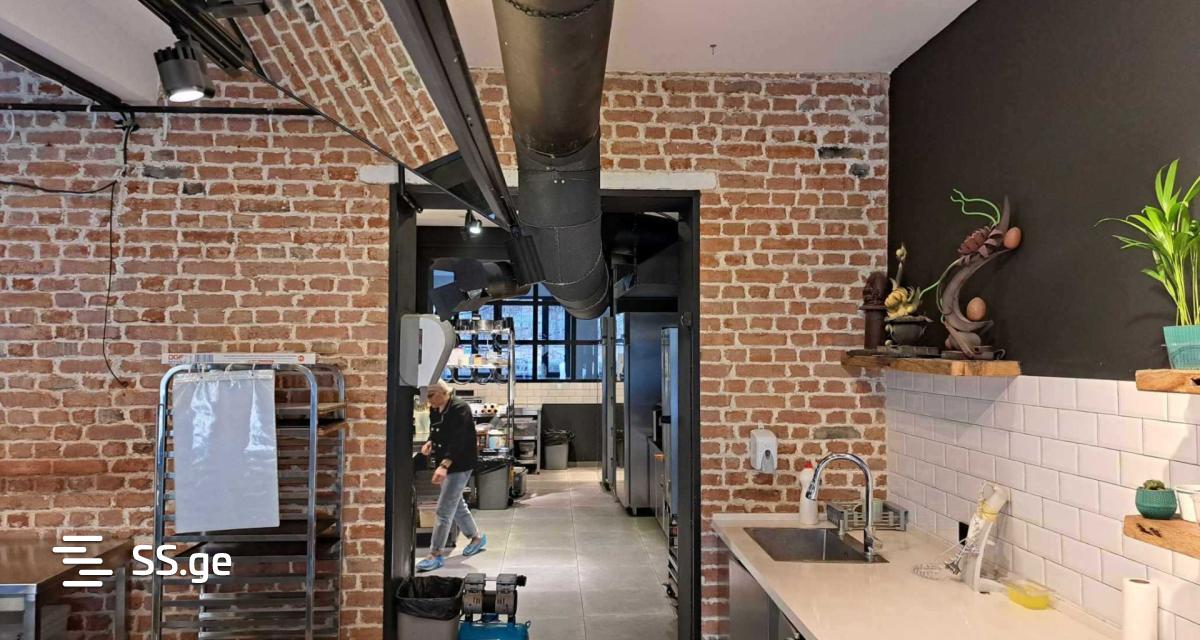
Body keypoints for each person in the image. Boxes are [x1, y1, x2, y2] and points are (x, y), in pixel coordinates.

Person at [417, 379, 487, 572]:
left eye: (431, 396)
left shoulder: (460, 408)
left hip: (460, 463)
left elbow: (459, 440)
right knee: (456, 504)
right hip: (445, 462)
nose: (429, 401)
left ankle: (435, 554)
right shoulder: (435, 408)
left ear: (442, 391)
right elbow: (437, 430)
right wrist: (430, 441)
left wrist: (444, 465)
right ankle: (476, 538)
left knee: (444, 509)